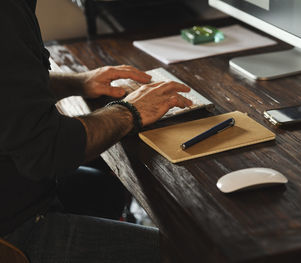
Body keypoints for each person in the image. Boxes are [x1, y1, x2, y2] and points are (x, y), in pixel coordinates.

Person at [0, 0, 192, 262]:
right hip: (14, 232)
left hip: (19, 188)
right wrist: (129, 111)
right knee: (189, 251)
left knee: (107, 191)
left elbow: (14, 87)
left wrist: (79, 82)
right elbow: (47, 150)